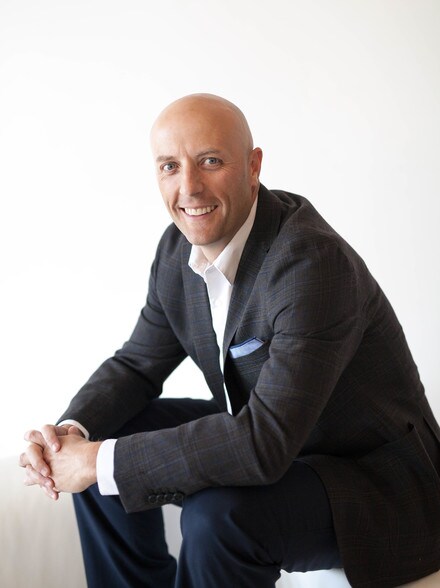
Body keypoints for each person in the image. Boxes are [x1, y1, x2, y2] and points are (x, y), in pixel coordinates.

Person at [20, 94, 440, 588]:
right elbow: (136, 365)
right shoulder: (177, 250)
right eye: (170, 167)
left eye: (210, 161)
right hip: (282, 444)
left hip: (374, 483)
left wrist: (96, 463)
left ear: (253, 166)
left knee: (213, 516)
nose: (189, 187)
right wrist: (69, 436)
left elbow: (265, 441)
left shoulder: (310, 263)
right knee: (108, 436)